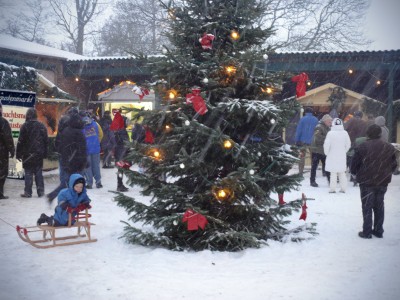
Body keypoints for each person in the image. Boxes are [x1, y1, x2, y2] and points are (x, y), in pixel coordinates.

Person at [350, 124, 397, 239]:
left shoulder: (362, 147)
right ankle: (378, 230)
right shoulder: (389, 147)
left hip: (367, 181)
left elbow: (354, 165)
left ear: (368, 134)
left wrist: (355, 174)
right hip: (382, 181)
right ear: (380, 134)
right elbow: (394, 165)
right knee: (379, 205)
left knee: (367, 206)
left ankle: (367, 231)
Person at [47, 113, 87, 202]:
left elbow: (61, 146)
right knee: (77, 182)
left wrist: (65, 159)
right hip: (77, 162)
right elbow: (82, 149)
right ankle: (76, 200)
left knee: (66, 182)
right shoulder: (79, 133)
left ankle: (54, 195)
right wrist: (84, 161)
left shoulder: (66, 131)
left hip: (67, 161)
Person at [16, 108, 49, 198]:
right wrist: (45, 153)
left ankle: (28, 192)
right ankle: (41, 191)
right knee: (38, 173)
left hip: (27, 154)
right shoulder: (41, 126)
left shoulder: (25, 126)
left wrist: (18, 154)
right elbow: (46, 141)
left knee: (28, 173)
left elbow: (20, 141)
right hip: (38, 154)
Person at [323, 118, 351, 193]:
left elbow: (326, 145)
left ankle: (332, 189)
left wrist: (326, 153)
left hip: (332, 155)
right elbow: (348, 144)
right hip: (342, 156)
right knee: (342, 173)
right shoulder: (345, 133)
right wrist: (344, 151)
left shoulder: (330, 133)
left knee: (333, 173)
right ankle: (343, 188)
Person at [81, 112, 103, 189]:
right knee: (96, 166)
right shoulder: (96, 124)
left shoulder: (80, 125)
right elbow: (101, 134)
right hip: (95, 149)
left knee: (87, 167)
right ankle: (98, 182)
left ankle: (89, 183)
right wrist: (97, 142)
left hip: (86, 150)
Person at [309, 114, 332, 187]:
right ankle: (312, 181)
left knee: (327, 165)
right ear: (325, 121)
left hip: (323, 150)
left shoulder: (328, 127)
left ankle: (330, 181)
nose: (330, 123)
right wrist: (328, 139)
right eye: (329, 121)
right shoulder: (319, 127)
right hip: (316, 150)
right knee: (314, 166)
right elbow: (318, 138)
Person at [294, 107, 318, 175]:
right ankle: (313, 173)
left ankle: (300, 172)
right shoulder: (316, 120)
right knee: (313, 157)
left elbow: (299, 131)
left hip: (302, 141)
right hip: (312, 142)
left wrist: (297, 140)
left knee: (302, 157)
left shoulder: (302, 119)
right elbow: (317, 131)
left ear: (305, 112)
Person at [110, 109, 130, 192]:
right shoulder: (121, 131)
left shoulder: (119, 130)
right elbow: (125, 142)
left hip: (120, 152)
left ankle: (120, 184)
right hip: (121, 153)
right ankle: (119, 185)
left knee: (121, 170)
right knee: (121, 170)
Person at [0, 102, 15, 199]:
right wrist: (11, 150)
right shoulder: (3, 122)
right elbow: (7, 138)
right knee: (2, 172)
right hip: (1, 152)